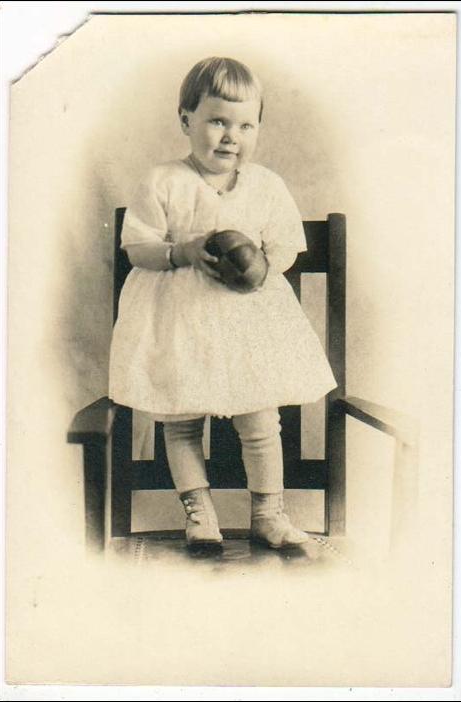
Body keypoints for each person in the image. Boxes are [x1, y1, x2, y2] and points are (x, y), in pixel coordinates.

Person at [109, 57, 337, 548]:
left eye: (245, 125)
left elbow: (286, 245)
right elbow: (137, 248)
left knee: (261, 419)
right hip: (179, 322)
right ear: (186, 119)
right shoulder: (163, 181)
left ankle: (269, 515)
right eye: (217, 121)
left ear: (257, 128)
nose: (231, 136)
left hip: (246, 325)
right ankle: (200, 515)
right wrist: (181, 251)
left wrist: (262, 266)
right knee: (181, 419)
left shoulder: (266, 185)